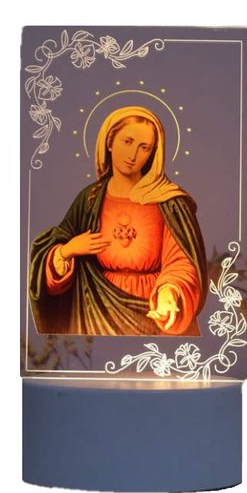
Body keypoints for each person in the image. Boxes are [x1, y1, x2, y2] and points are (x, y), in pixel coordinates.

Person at [28, 105, 207, 335]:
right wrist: (68, 250)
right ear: (110, 142)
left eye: (144, 147)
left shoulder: (169, 202)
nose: (133, 155)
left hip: (153, 314)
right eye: (127, 142)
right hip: (97, 312)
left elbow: (182, 262)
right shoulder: (89, 200)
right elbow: (48, 259)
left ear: (153, 153)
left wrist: (169, 292)